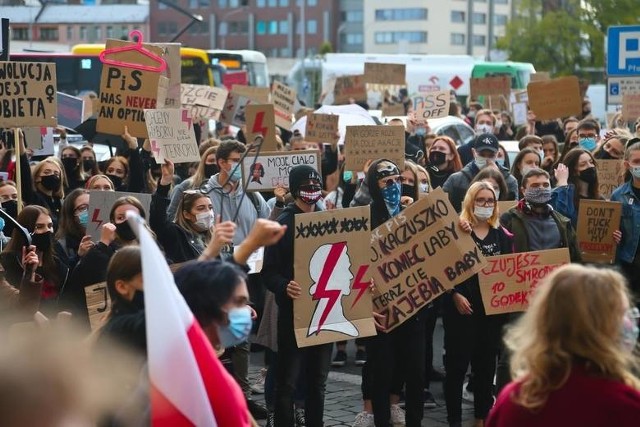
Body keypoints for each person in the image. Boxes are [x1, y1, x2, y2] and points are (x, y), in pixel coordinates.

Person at [486, 265, 640, 427]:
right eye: (621, 314)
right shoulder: (626, 406)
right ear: (599, 327)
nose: (629, 323)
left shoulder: (515, 399)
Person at [262, 164, 333, 427]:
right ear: (295, 189)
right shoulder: (282, 224)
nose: (313, 189)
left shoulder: (327, 221)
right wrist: (284, 286)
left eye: (316, 184)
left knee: (318, 382)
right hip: (293, 315)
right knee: (287, 382)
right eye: (306, 185)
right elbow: (269, 273)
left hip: (324, 312)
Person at [445, 182, 513, 427]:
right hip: (462, 312)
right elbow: (442, 269)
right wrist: (453, 294)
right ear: (470, 202)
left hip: (490, 315)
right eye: (480, 200)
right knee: (456, 368)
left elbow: (508, 272)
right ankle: (454, 421)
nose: (485, 205)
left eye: (490, 201)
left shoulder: (502, 234)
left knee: (485, 371)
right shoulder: (458, 231)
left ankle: (481, 419)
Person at [150, 159, 235, 263]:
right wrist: (165, 183)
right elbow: (157, 220)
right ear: (186, 214)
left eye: (210, 207)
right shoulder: (176, 235)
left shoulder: (217, 237)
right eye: (201, 208)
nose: (208, 212)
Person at [0, 205, 69, 315]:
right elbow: (18, 305)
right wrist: (28, 273)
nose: (47, 231)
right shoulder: (8, 262)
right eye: (39, 227)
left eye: (50, 226)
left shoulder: (57, 263)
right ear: (25, 232)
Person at [443, 133, 518, 212]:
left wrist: (498, 179)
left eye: (491, 155)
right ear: (473, 152)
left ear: (497, 154)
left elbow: (512, 212)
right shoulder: (456, 180)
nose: (486, 159)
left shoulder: (509, 181)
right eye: (482, 154)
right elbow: (442, 210)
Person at [611, 141, 640, 309]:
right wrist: (615, 236)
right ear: (627, 165)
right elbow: (615, 229)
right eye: (636, 162)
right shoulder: (618, 195)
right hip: (630, 264)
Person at [551, 148, 606, 226]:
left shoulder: (599, 199)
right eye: (583, 164)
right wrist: (562, 183)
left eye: (591, 162)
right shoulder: (566, 196)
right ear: (573, 171)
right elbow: (563, 219)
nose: (590, 166)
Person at [167, 146, 218, 220]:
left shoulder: (230, 189)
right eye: (211, 160)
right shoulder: (186, 186)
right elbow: (171, 215)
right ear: (203, 163)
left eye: (218, 161)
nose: (215, 164)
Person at [54, 188, 94, 274]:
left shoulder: (108, 236)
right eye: (83, 208)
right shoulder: (61, 245)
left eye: (92, 206)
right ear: (71, 215)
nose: (89, 211)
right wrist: (79, 256)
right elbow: (63, 278)